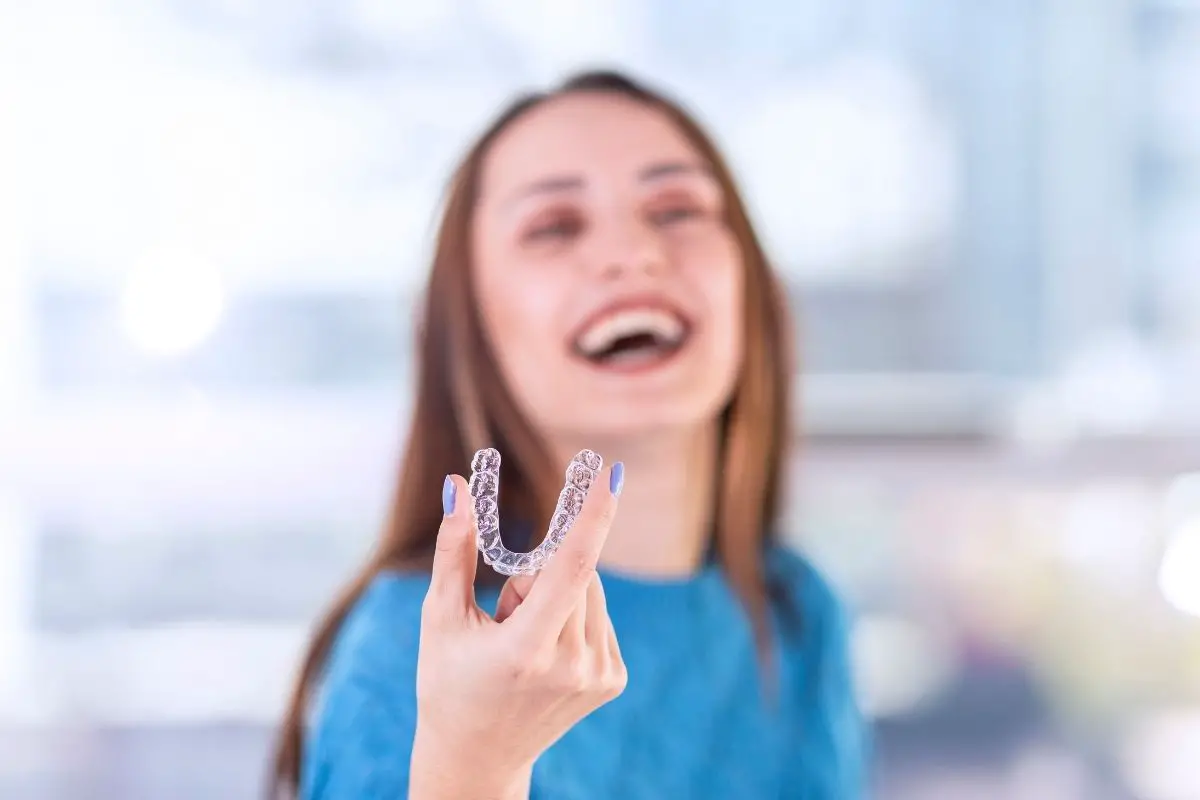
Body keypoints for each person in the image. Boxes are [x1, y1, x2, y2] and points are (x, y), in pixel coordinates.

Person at [270, 69, 868, 799]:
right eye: (554, 227)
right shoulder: (421, 644)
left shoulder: (799, 616)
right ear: (474, 332)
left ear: (750, 283)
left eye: (677, 208)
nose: (631, 252)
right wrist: (472, 764)